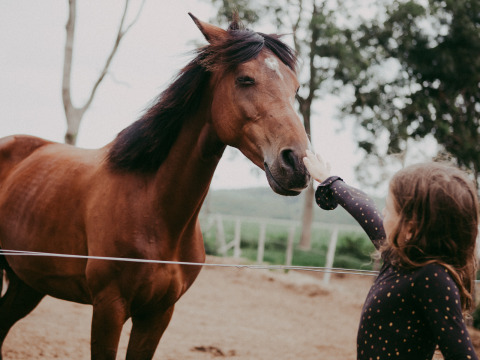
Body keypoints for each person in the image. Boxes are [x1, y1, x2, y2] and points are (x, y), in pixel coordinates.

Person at [303, 150, 479, 360]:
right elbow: (364, 209)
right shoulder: (398, 255)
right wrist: (328, 180)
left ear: (411, 228)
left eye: (388, 208)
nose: (382, 213)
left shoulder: (433, 278)